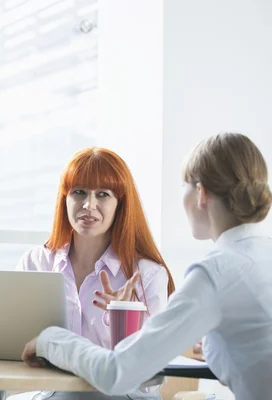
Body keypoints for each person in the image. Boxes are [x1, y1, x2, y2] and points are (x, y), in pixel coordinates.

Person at [22, 133, 272, 400]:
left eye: (183, 186)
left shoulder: (214, 273)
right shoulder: (261, 254)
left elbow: (117, 373)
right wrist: (217, 348)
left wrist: (50, 340)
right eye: (79, 192)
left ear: (201, 193)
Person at [15, 147, 174, 400]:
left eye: (103, 194)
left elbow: (149, 380)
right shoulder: (36, 263)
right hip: (51, 394)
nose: (89, 205)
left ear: (119, 204)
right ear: (64, 198)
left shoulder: (147, 275)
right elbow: (16, 348)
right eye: (79, 192)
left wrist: (123, 325)